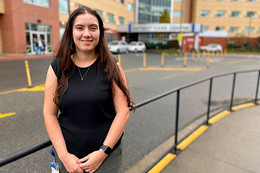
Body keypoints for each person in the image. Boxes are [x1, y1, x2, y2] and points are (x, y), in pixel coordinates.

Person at [43, 6, 135, 173]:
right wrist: (64, 156)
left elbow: (123, 112)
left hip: (105, 157)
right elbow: (49, 114)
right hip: (68, 157)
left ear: (100, 32)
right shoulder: (57, 68)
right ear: (71, 32)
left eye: (93, 28)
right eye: (80, 28)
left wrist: (103, 152)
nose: (87, 33)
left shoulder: (112, 67)